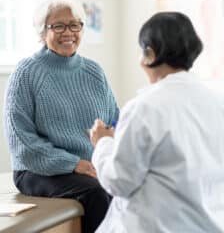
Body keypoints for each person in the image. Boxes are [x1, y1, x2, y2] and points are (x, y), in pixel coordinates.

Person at [90, 12, 224, 233]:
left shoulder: (144, 108)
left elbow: (119, 182)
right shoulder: (217, 102)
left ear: (150, 53)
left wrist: (103, 144)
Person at [4, 0, 119, 233]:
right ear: (41, 33)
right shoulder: (26, 73)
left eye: (74, 24)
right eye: (58, 26)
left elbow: (113, 122)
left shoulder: (94, 72)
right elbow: (23, 144)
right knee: (96, 192)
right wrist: (74, 164)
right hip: (37, 169)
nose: (68, 32)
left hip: (90, 167)